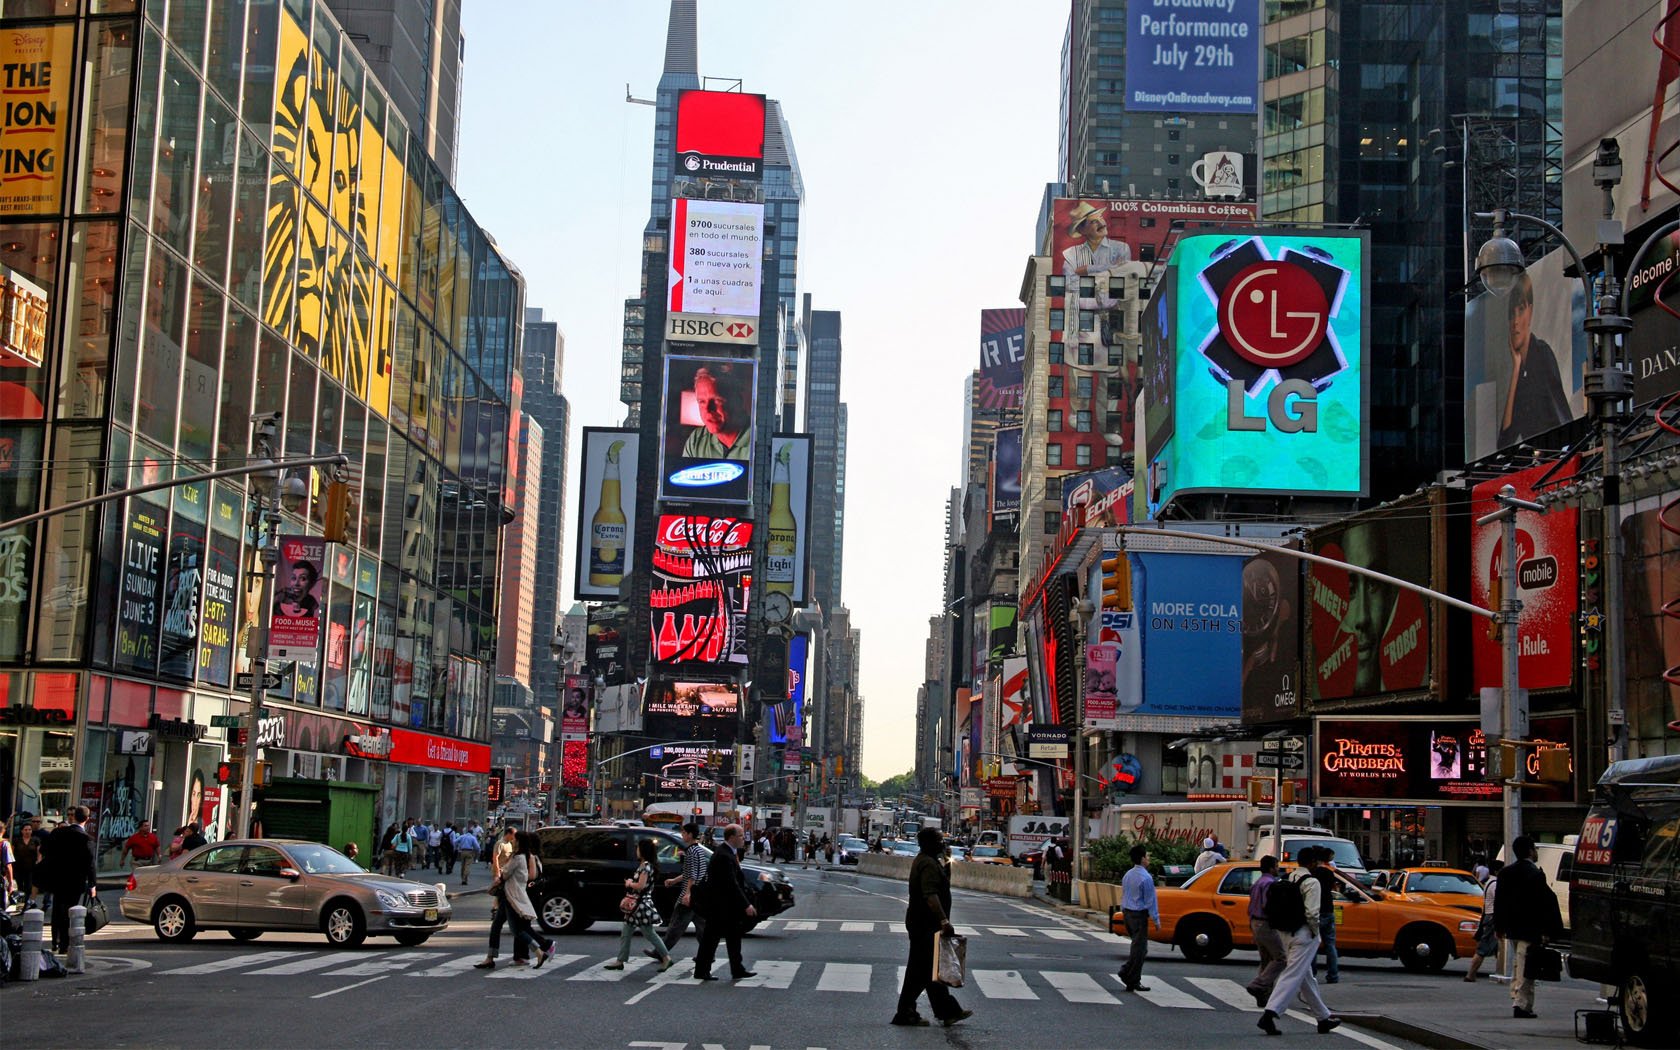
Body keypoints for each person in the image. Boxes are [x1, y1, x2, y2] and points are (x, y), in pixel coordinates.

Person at [892, 827, 972, 1028]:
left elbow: (943, 884)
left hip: (922, 923)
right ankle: (910, 1012)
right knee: (923, 971)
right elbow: (931, 895)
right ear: (927, 843)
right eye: (938, 840)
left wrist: (946, 862)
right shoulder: (927, 864)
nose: (942, 843)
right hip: (925, 924)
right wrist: (944, 921)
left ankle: (944, 1011)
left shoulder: (930, 861)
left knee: (925, 970)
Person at [1258, 847, 1340, 1036]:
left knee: (1305, 977)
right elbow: (1312, 912)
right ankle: (1270, 1014)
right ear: (1312, 863)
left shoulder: (1290, 878)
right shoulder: (1312, 882)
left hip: (1285, 932)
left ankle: (1323, 1018)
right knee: (1294, 974)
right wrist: (1314, 931)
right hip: (1304, 934)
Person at [1497, 269, 1572, 448]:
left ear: (1530, 311)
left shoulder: (1541, 353)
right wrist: (1515, 370)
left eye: (1521, 310)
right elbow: (1504, 441)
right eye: (1511, 314)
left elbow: (1563, 417)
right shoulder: (1521, 368)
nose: (1515, 321)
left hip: (1554, 458)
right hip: (1537, 463)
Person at [1494, 836, 1563, 1019]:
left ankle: (1518, 999)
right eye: (1535, 848)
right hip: (1530, 928)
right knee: (1527, 967)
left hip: (1513, 928)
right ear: (1530, 851)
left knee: (1519, 963)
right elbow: (1545, 903)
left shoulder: (1505, 873)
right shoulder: (1535, 874)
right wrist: (1548, 930)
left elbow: (1499, 902)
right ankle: (1521, 1004)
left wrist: (1499, 926)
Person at [480, 831, 554, 970]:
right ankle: (490, 957)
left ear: (519, 842)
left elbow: (506, 874)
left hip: (511, 896)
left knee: (516, 930)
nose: (513, 841)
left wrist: (496, 881)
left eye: (515, 839)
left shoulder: (518, 857)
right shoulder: (525, 857)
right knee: (499, 926)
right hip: (513, 895)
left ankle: (539, 951)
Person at [693, 823, 756, 981]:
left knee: (733, 938)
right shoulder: (723, 855)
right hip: (720, 907)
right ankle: (702, 970)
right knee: (711, 939)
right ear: (732, 837)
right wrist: (746, 904)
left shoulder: (729, 852)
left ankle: (737, 969)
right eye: (741, 835)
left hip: (727, 906)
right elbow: (730, 883)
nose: (744, 838)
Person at [608, 837, 674, 972]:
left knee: (648, 933)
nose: (636, 850)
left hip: (640, 905)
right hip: (636, 905)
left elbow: (641, 886)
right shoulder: (646, 865)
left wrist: (629, 883)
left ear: (643, 850)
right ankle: (620, 960)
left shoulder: (645, 866)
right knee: (626, 932)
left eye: (638, 848)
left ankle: (666, 958)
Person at [39, 806, 97, 954]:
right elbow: (90, 863)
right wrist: (92, 884)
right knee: (70, 911)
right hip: (75, 881)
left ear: (74, 817)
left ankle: (55, 941)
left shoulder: (58, 832)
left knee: (57, 910)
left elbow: (45, 851)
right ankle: (64, 943)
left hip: (57, 879)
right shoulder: (86, 839)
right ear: (87, 819)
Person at [650, 822, 710, 958]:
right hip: (698, 895)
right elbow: (691, 873)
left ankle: (661, 952)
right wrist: (674, 881)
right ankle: (707, 954)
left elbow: (692, 875)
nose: (682, 835)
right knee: (702, 928)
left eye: (684, 833)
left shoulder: (691, 851)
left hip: (689, 895)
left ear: (689, 834)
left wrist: (688, 893)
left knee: (675, 926)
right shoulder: (699, 850)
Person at [680, 364, 752, 461]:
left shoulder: (756, 440)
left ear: (736, 401)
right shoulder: (696, 441)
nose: (708, 410)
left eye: (717, 400)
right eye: (702, 401)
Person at [1117, 844, 1161, 993]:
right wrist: (1156, 920)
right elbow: (1150, 901)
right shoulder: (1146, 878)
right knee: (1140, 949)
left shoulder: (1128, 875)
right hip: (1139, 915)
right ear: (1142, 858)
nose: (1148, 859)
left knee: (1137, 947)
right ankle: (1129, 975)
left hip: (1127, 913)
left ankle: (1131, 978)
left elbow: (1125, 894)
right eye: (1147, 856)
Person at [1060, 200, 1132, 289]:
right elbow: (1069, 285)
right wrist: (1110, 270)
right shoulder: (1071, 254)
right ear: (1081, 230)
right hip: (1080, 303)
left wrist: (1088, 269)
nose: (1102, 224)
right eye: (1094, 221)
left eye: (1101, 218)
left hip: (1114, 303)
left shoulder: (1121, 248)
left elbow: (1123, 277)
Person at [1246, 855, 1288, 1006]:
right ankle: (1259, 984)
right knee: (1280, 958)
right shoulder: (1270, 884)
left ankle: (1263, 995)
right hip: (1265, 923)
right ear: (1271, 868)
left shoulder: (1257, 882)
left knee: (1266, 960)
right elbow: (1267, 905)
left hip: (1255, 922)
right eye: (1277, 866)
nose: (1278, 869)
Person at [1464, 861, 1502, 982]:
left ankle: (1500, 971)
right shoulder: (1495, 884)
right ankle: (1470, 974)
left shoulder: (1489, 882)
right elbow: (1499, 902)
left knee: (1499, 949)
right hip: (1493, 918)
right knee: (1483, 948)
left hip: (1489, 917)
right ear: (1497, 871)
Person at [1313, 848, 1341, 983]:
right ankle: (1333, 974)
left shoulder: (1313, 873)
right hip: (1328, 910)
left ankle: (1312, 974)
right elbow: (1335, 889)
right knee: (1330, 944)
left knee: (1313, 945)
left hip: (1316, 909)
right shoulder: (1330, 873)